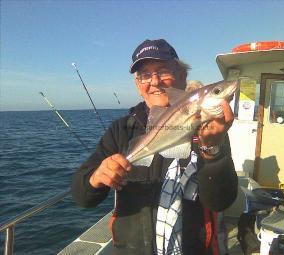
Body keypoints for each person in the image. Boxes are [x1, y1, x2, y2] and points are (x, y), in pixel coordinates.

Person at [72, 39, 238, 255]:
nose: (155, 81)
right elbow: (81, 197)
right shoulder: (122, 130)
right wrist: (96, 178)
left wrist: (213, 148)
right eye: (145, 75)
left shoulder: (210, 130)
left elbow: (221, 202)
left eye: (163, 71)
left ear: (182, 75)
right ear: (138, 85)